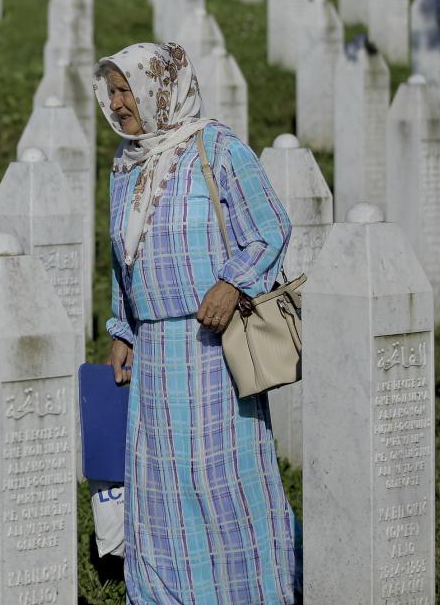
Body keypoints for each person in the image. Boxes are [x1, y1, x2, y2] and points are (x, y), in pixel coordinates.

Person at [93, 42, 300, 604]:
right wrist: (123, 328)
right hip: (157, 354)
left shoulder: (218, 148)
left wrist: (232, 282)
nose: (116, 104)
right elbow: (123, 258)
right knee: (159, 488)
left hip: (213, 350)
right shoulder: (127, 164)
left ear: (162, 90)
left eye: (126, 90)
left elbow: (270, 226)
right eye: (110, 91)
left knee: (223, 484)